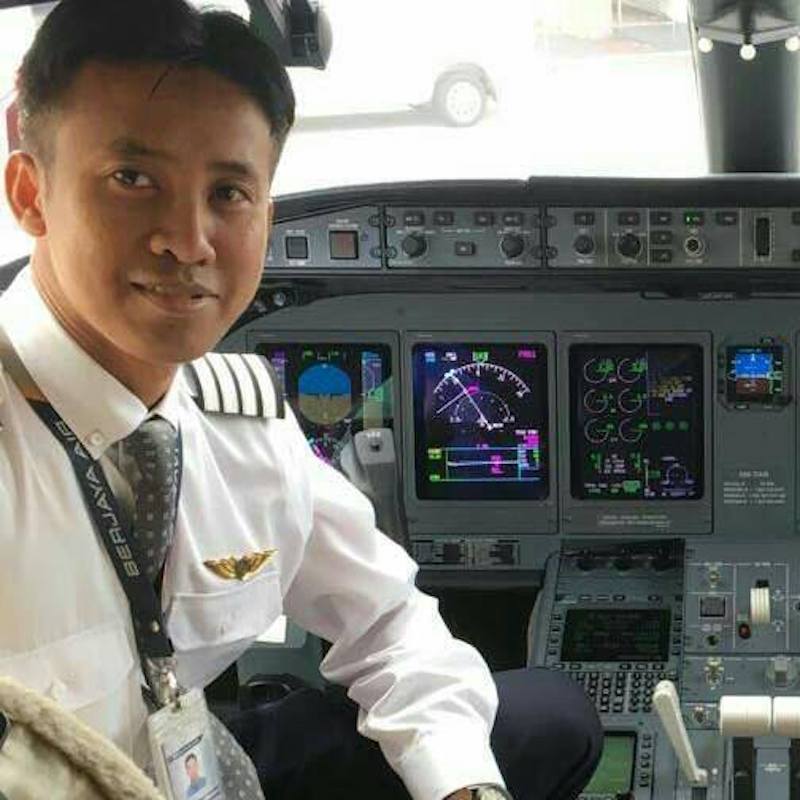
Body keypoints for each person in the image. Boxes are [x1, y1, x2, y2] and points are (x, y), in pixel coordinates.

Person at [0, 1, 603, 799]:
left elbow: (389, 622)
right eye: (132, 179)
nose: (188, 239)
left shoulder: (233, 422)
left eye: (228, 192)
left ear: (266, 215)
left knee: (548, 720)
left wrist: (465, 789)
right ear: (29, 191)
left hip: (195, 763)